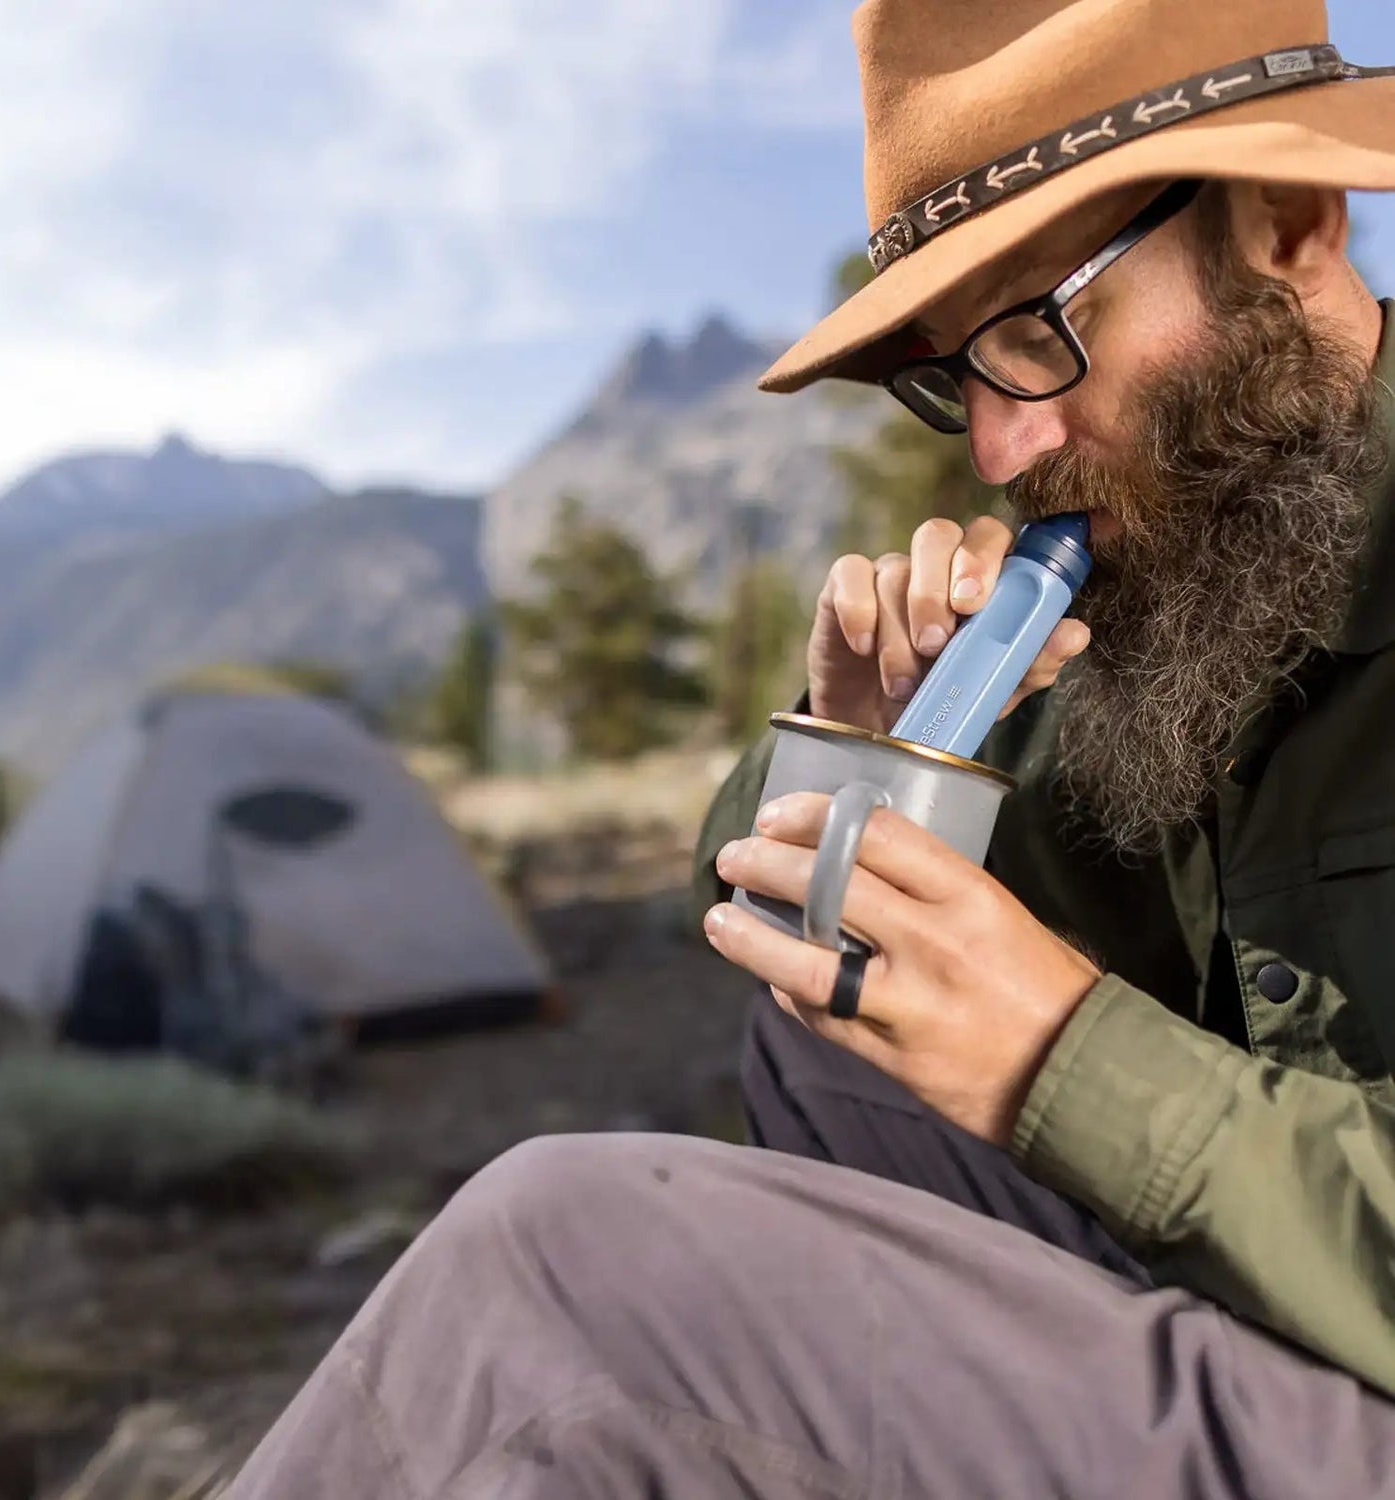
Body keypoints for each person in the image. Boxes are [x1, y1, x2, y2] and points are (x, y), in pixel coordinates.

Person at [226, 2, 1395, 1494]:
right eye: (953, 376)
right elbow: (792, 918)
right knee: (838, 1046)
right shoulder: (1210, 571)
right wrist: (864, 753)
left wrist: (1064, 1056)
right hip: (1291, 1304)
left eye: (1042, 331)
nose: (996, 449)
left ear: (1289, 219)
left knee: (575, 1274)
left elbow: (1081, 1065)